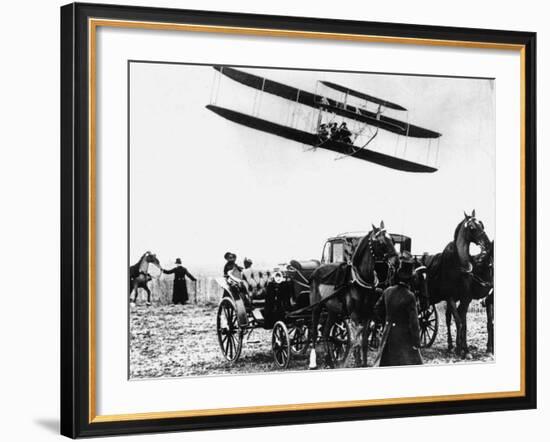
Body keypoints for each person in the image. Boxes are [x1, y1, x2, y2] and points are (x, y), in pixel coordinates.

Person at [373, 252, 423, 367]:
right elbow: (414, 323)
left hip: (387, 335)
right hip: (404, 338)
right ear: (410, 279)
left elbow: (376, 310)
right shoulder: (410, 296)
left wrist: (385, 322)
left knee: (384, 364)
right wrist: (416, 342)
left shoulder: (388, 291)